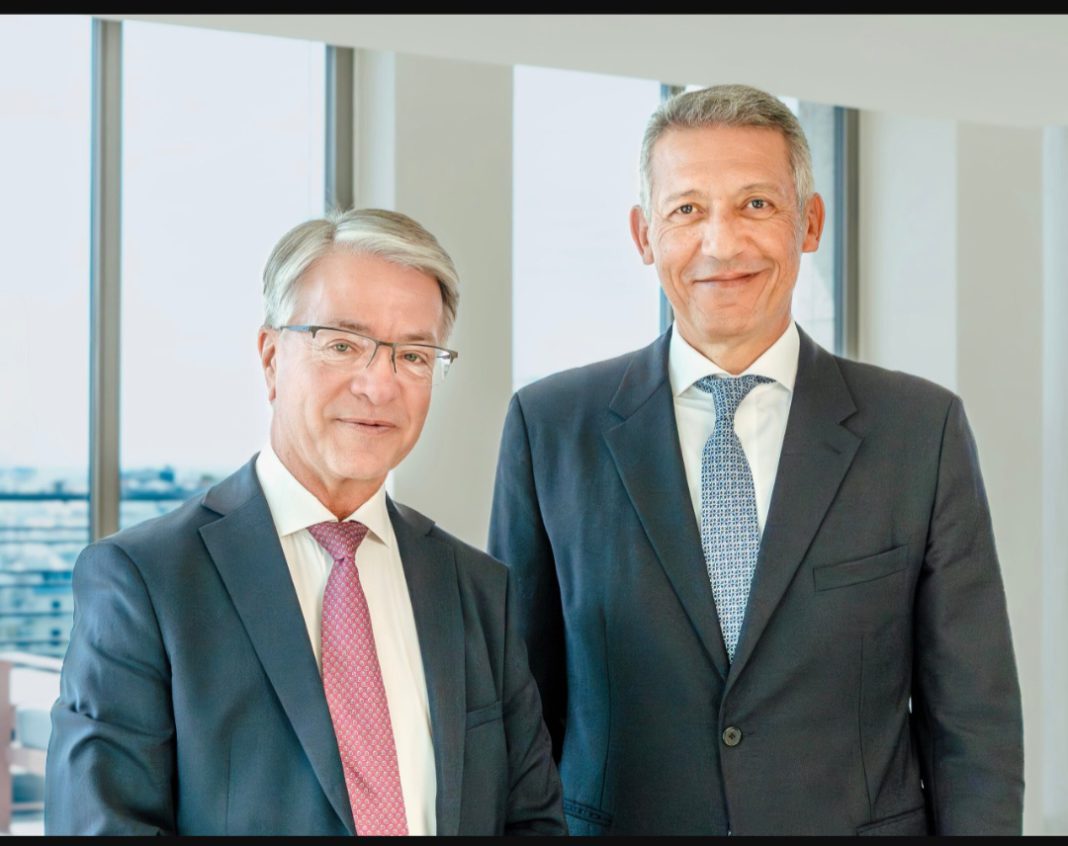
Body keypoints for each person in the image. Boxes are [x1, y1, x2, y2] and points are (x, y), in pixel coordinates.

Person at [488, 84, 1023, 836]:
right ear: (644, 235)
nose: (721, 243)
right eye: (686, 209)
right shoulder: (549, 428)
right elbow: (517, 720)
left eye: (756, 204)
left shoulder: (918, 431)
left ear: (811, 222)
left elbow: (974, 724)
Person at [46, 208, 566, 836]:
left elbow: (532, 821)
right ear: (271, 358)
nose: (379, 386)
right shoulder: (146, 581)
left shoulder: (477, 588)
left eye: (413, 355)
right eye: (342, 344)